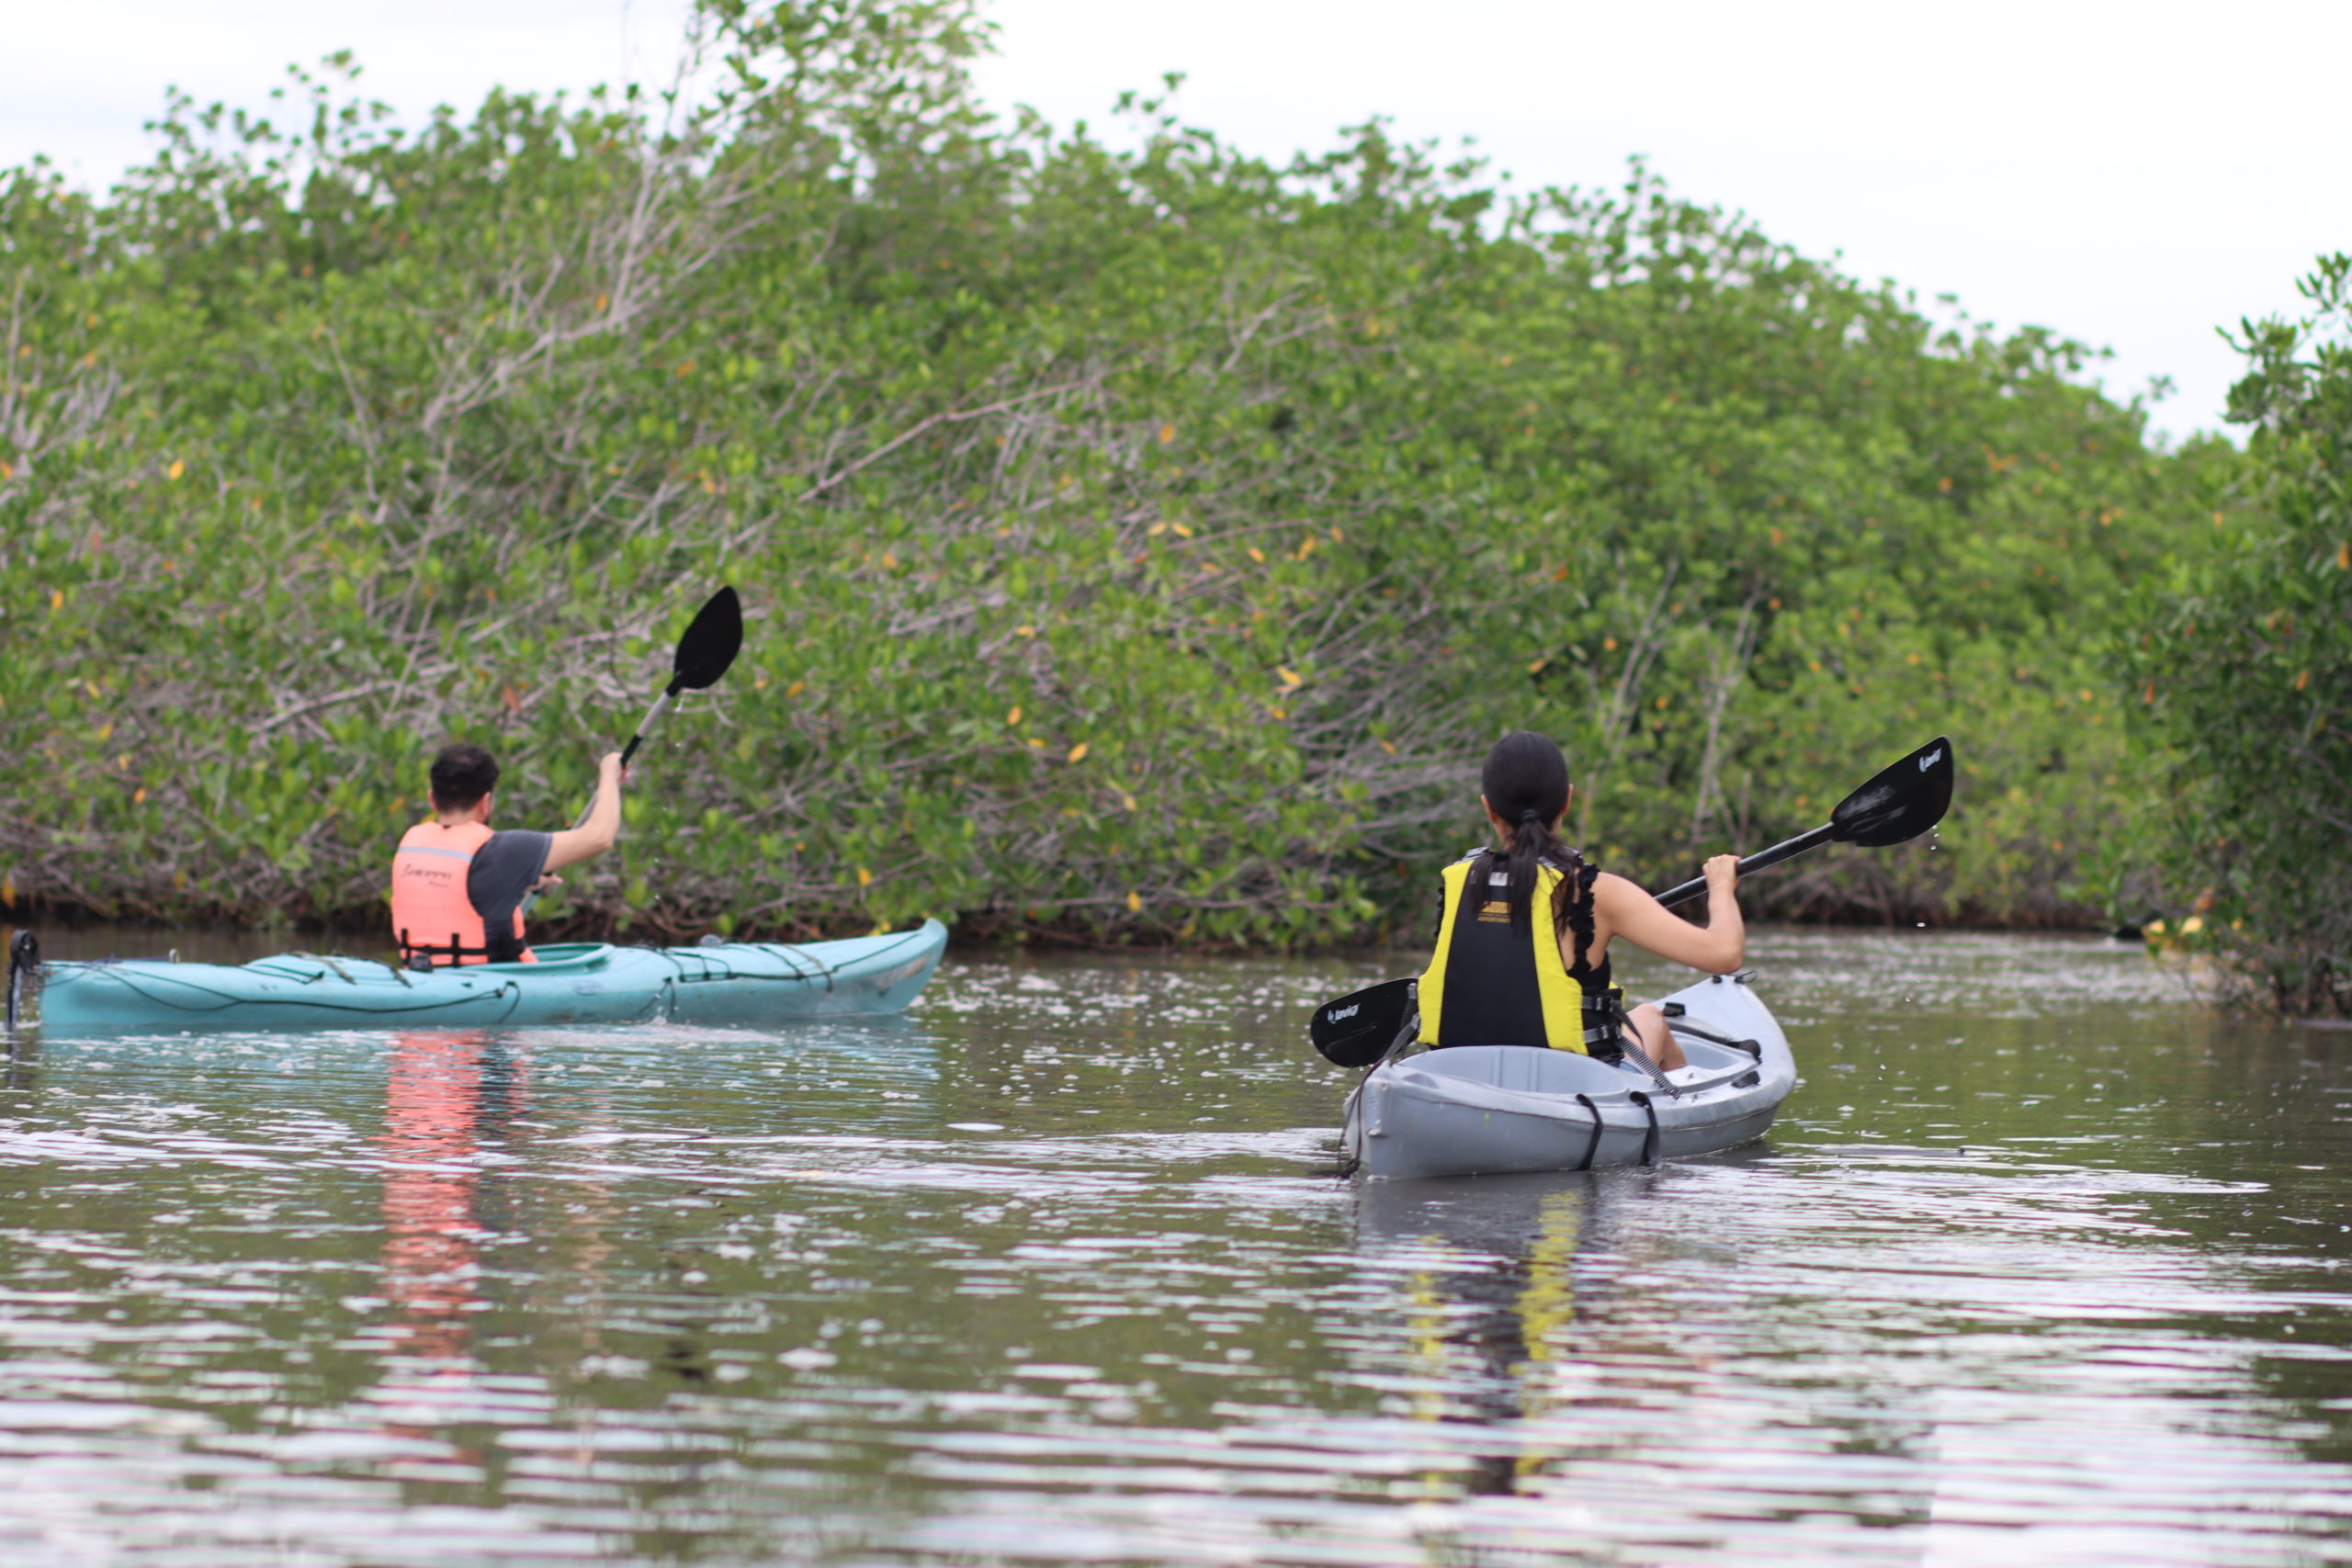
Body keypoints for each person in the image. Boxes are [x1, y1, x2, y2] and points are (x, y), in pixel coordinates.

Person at [1417, 730, 1744, 1071]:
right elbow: (1724, 954)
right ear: (1567, 801)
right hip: (1574, 1083)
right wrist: (1720, 886)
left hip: (1459, 1072)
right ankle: (1677, 1111)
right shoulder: (1596, 892)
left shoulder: (1458, 883)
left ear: (1489, 809)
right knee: (1650, 1017)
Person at [390, 744, 628, 967]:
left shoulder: (411, 844)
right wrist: (609, 775)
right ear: (485, 802)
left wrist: (516, 884)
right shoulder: (503, 850)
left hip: (422, 975)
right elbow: (599, 837)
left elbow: (454, 894)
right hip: (490, 986)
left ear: (432, 799)